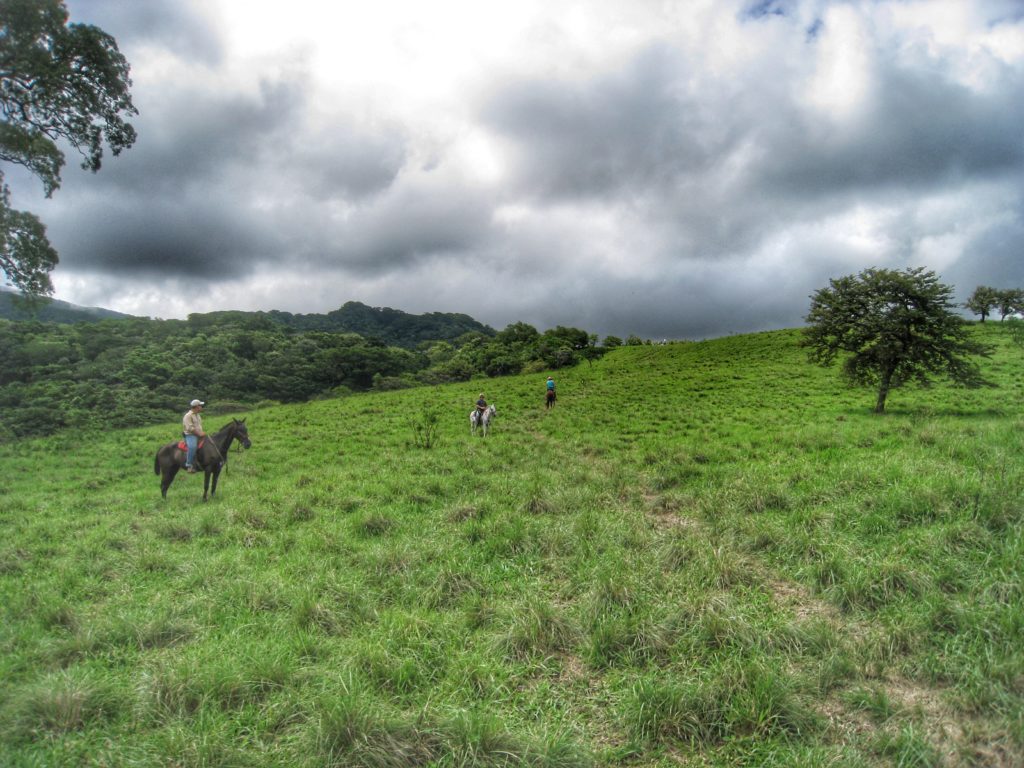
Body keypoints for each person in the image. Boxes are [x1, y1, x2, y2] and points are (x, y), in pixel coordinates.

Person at [182, 399, 207, 473]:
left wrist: (201, 433)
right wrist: (199, 434)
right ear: (196, 407)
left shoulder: (198, 415)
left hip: (199, 434)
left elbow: (198, 426)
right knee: (193, 447)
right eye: (200, 405)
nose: (202, 407)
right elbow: (190, 428)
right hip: (191, 435)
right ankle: (189, 464)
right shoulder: (188, 416)